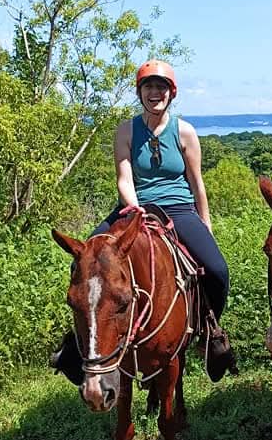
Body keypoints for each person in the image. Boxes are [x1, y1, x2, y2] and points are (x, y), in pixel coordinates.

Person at [54, 59, 237, 383]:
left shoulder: (184, 131)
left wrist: (204, 221)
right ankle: (78, 344)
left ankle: (210, 333)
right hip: (133, 207)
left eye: (161, 87)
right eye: (149, 87)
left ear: (171, 93)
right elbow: (124, 178)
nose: (155, 92)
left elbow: (196, 182)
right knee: (83, 260)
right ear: (140, 93)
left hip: (178, 208)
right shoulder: (126, 130)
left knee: (218, 270)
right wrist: (135, 210)